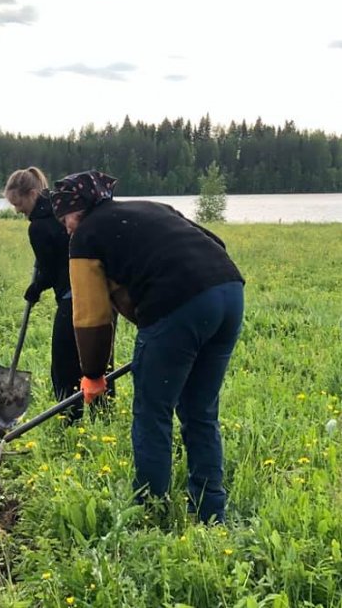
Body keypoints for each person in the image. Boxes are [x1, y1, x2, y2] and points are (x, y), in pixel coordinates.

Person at [50, 169, 245, 524]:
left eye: (66, 218)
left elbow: (91, 316)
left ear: (79, 209)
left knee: (152, 412)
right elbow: (216, 243)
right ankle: (210, 510)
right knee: (200, 411)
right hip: (229, 293)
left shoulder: (85, 237)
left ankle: (150, 510)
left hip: (178, 307)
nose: (66, 228)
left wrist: (93, 374)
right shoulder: (153, 207)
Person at [4, 166, 92, 422]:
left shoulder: (39, 227)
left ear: (32, 193)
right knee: (97, 359)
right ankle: (104, 416)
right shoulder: (63, 207)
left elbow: (52, 270)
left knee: (64, 364)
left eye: (19, 203)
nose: (17, 210)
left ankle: (69, 419)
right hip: (99, 293)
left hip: (72, 295)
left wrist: (36, 287)